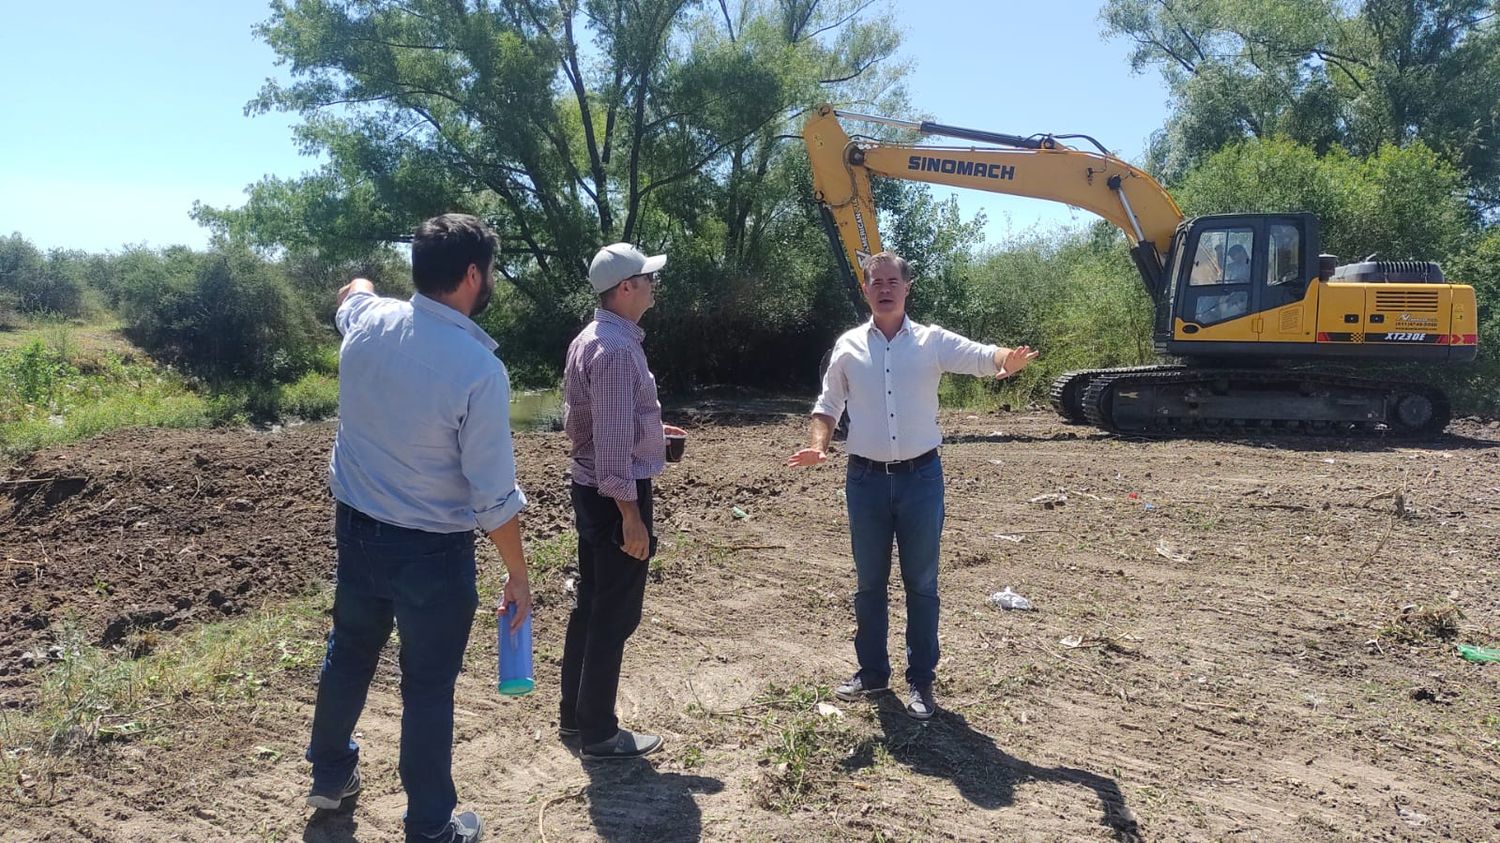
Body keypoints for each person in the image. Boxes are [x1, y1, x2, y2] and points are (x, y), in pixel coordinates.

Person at [306, 213, 531, 843]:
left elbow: (353, 296)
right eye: (488, 270)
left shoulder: (369, 325)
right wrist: (517, 573)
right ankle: (429, 826)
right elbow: (492, 496)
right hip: (432, 552)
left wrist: (357, 284)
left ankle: (329, 774)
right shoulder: (477, 369)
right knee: (428, 687)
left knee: (348, 653)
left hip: (356, 532)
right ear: (470, 275)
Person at [787, 251, 1037, 721]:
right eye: (875, 281)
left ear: (906, 288)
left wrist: (1009, 358)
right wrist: (819, 445)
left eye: (892, 281)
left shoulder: (931, 342)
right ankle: (872, 673)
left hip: (921, 477)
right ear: (865, 290)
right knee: (869, 583)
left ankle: (921, 680)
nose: (884, 288)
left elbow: (982, 356)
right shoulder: (847, 347)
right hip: (865, 480)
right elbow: (827, 406)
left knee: (921, 583)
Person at [560, 242, 686, 759]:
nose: (654, 286)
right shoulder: (614, 350)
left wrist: (652, 431)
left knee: (593, 604)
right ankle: (599, 734)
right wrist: (631, 517)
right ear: (626, 287)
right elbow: (611, 442)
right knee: (614, 613)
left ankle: (575, 718)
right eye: (648, 278)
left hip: (595, 488)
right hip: (616, 494)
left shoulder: (597, 338)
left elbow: (600, 424)